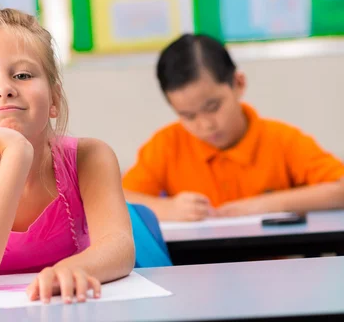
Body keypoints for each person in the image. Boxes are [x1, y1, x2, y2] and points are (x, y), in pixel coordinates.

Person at [0, 8, 134, 303]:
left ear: (54, 98)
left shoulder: (91, 158)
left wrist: (68, 271)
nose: (4, 89)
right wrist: (15, 155)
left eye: (22, 75)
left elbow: (119, 248)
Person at [123, 33, 344, 222]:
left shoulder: (282, 139)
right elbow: (117, 199)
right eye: (188, 116)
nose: (205, 125)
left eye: (213, 106)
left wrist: (267, 204)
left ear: (238, 83)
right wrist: (166, 209)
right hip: (197, 268)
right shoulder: (168, 144)